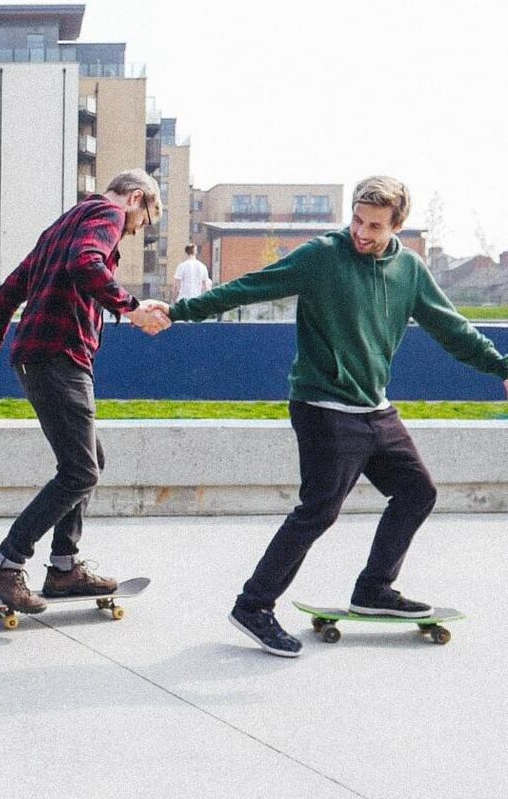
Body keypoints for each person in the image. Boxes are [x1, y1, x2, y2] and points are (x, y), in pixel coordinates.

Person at [145, 176, 508, 657]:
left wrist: (501, 368)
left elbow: (453, 329)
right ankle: (253, 606)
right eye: (357, 219)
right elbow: (250, 288)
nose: (361, 231)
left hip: (375, 409)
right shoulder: (322, 256)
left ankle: (374, 589)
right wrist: (178, 311)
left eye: (374, 225)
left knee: (418, 491)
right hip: (322, 405)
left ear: (396, 224)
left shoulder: (410, 270)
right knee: (319, 510)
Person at [0, 169, 169, 613]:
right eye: (145, 221)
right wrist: (131, 309)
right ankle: (5, 562)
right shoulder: (109, 214)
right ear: (136, 199)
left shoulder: (64, 223)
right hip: (60, 355)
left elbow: (12, 287)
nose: (136, 232)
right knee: (80, 471)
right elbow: (87, 264)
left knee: (89, 461)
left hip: (38, 355)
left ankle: (64, 568)